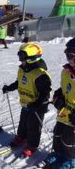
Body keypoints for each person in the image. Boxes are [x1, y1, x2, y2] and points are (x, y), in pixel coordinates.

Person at [2, 43, 51, 157]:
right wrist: (9, 88)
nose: (20, 60)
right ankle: (21, 137)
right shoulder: (23, 69)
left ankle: (32, 145)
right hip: (26, 103)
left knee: (33, 126)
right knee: (23, 122)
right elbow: (19, 82)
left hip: (37, 106)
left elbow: (45, 94)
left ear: (31, 58)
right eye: (19, 56)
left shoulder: (40, 74)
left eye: (22, 57)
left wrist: (37, 104)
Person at [43, 38, 75, 168]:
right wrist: (58, 96)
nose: (69, 59)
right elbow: (64, 88)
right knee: (57, 133)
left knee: (69, 139)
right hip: (64, 111)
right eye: (67, 55)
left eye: (71, 56)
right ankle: (59, 154)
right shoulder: (66, 71)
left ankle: (71, 159)